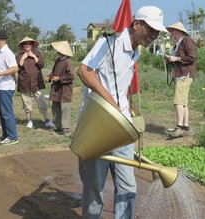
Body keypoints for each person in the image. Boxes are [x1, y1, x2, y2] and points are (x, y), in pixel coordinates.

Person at [76, 6, 168, 219]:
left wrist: (128, 109)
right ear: (136, 24)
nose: (153, 36)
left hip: (122, 127)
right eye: (151, 30)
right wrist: (112, 105)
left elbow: (122, 85)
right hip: (98, 126)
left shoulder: (136, 51)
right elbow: (84, 71)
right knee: (94, 186)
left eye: (157, 33)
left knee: (127, 185)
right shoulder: (109, 43)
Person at [164, 22, 197, 138]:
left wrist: (176, 58)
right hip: (181, 74)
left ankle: (179, 127)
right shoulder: (179, 43)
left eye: (173, 31)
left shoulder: (187, 40)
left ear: (179, 31)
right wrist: (170, 60)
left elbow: (192, 57)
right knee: (183, 102)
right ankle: (185, 127)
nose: (172, 33)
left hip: (185, 75)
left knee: (178, 101)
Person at [0, 30, 18, 145]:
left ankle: (12, 136)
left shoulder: (7, 53)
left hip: (6, 86)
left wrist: (0, 74)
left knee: (6, 112)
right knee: (1, 112)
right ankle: (5, 135)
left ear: (0, 40)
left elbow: (15, 68)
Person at [16, 37, 54, 129]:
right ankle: (29, 120)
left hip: (37, 83)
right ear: (22, 46)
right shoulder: (19, 56)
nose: (28, 45)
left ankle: (47, 119)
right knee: (27, 103)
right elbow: (17, 69)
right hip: (24, 83)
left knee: (42, 102)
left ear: (32, 45)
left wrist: (33, 56)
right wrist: (23, 59)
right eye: (26, 44)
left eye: (29, 44)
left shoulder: (37, 54)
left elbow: (41, 65)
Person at [45, 41, 74, 135]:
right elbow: (53, 71)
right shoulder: (58, 60)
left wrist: (59, 78)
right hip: (56, 88)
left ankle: (66, 128)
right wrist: (49, 77)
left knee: (65, 108)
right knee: (55, 107)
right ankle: (57, 126)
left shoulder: (68, 62)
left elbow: (71, 76)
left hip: (65, 89)